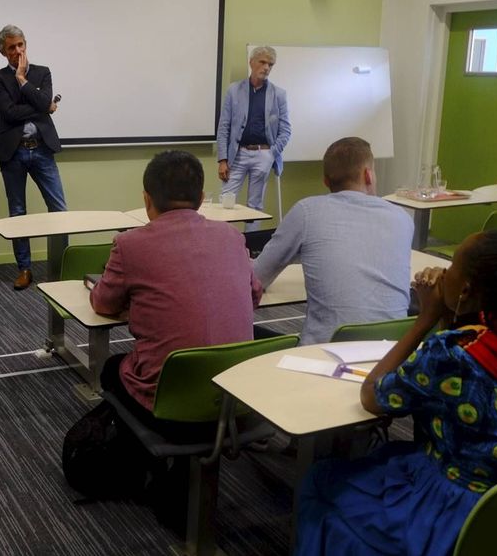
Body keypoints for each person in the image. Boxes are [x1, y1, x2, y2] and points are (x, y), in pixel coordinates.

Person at [295, 230, 497, 556]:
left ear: (468, 290)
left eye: (452, 265)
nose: (443, 273)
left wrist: (425, 318)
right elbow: (459, 380)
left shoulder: (451, 356)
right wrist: (452, 312)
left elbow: (373, 395)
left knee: (322, 480)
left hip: (456, 516)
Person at [91, 150, 263, 420]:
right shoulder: (232, 236)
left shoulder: (129, 244)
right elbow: (255, 295)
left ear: (147, 199)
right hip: (236, 398)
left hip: (168, 404)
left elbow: (103, 303)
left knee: (112, 368)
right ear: (202, 199)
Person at [253, 137, 413, 344]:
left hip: (325, 356)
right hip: (392, 353)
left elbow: (257, 277)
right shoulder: (402, 218)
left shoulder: (306, 211)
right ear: (368, 175)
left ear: (326, 182)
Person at [0, 24, 67, 290]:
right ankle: (24, 269)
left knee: (59, 209)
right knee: (18, 213)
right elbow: (10, 113)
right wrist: (42, 106)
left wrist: (23, 80)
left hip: (42, 148)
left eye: (21, 45)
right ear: (2, 51)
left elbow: (43, 104)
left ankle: (62, 267)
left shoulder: (42, 72)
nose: (18, 51)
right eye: (11, 47)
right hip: (14, 152)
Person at [216, 45, 292, 231]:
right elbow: (224, 126)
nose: (266, 67)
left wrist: (272, 153)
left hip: (263, 153)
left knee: (255, 205)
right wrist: (223, 159)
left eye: (270, 64)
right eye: (263, 62)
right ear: (251, 62)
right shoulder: (234, 90)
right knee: (226, 200)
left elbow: (286, 129)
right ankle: (225, 243)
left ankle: (250, 248)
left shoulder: (278, 94)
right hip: (237, 154)